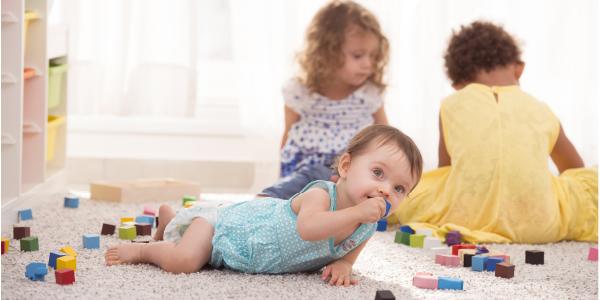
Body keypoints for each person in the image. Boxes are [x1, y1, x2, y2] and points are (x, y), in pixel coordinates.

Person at [105, 125, 423, 286]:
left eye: (399, 188)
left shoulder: (367, 221)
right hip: (227, 229)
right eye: (378, 173)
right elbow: (308, 228)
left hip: (249, 254)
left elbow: (355, 241)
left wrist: (346, 264)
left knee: (186, 247)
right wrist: (355, 212)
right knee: (185, 260)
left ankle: (171, 221)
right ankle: (145, 249)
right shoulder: (321, 195)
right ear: (345, 166)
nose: (385, 190)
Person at [390, 21, 597, 243]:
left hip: (464, 217)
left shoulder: (452, 104)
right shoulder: (541, 109)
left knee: (418, 190)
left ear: (458, 83)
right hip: (540, 224)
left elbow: (447, 169)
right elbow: (574, 168)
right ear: (519, 68)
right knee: (586, 184)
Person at [260, 0, 390, 200]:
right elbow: (287, 138)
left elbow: (386, 137)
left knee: (351, 186)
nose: (368, 64)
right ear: (327, 53)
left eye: (372, 56)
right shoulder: (301, 91)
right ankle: (267, 201)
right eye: (358, 55)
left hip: (351, 169)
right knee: (306, 184)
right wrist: (283, 175)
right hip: (308, 169)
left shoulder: (368, 93)